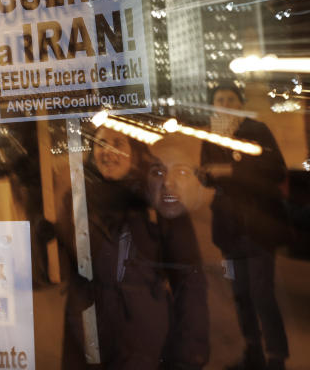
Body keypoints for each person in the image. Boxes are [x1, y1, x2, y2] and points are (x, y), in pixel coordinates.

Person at [59, 127, 209, 370]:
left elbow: (189, 282)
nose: (108, 152)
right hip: (88, 338)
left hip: (143, 341)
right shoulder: (77, 200)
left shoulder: (161, 200)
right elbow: (61, 270)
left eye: (118, 143)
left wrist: (189, 352)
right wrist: (38, 235)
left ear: (137, 152)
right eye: (101, 144)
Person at [200, 84, 289, 370]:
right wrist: (204, 176)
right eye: (219, 100)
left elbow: (277, 169)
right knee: (240, 294)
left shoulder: (257, 130)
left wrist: (230, 171)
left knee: (262, 293)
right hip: (228, 228)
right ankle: (253, 351)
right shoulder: (210, 135)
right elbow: (208, 173)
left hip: (260, 223)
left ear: (239, 103)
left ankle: (276, 357)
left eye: (230, 99)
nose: (225, 103)